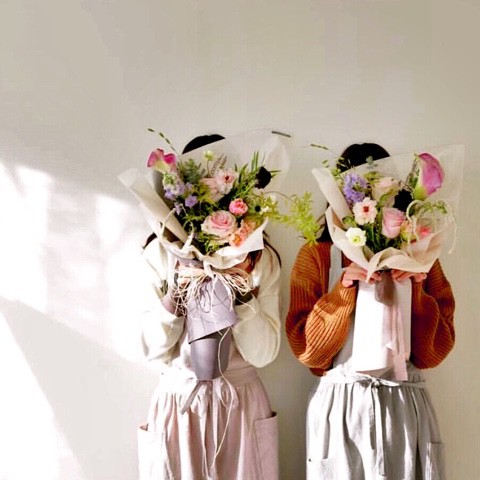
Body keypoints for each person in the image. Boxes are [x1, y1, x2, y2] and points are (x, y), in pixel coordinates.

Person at [286, 143, 455, 480]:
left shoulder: (420, 256)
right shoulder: (317, 255)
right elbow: (309, 354)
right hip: (341, 411)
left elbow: (432, 354)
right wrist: (343, 291)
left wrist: (416, 286)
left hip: (403, 408)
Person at [138, 134, 281, 480]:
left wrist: (240, 290)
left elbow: (264, 354)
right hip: (180, 404)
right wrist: (177, 292)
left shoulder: (260, 259)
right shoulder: (159, 254)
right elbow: (153, 351)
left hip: (241, 403)